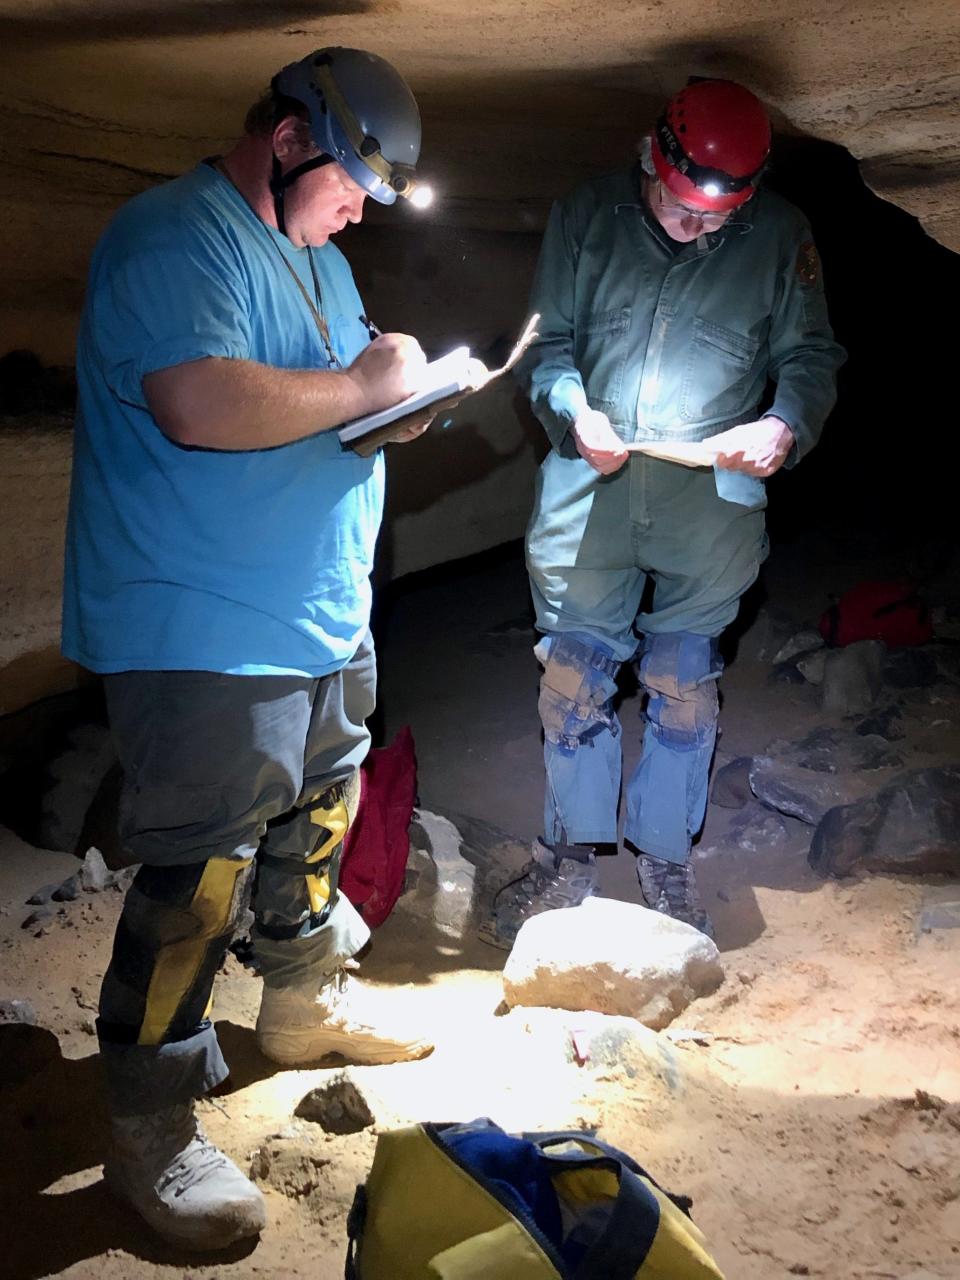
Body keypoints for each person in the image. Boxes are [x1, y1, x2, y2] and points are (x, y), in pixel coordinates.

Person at [62, 46, 438, 1251]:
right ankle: (149, 1129)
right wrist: (358, 385)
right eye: (349, 184)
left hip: (317, 612)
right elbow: (200, 400)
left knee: (319, 812)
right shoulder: (175, 235)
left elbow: (342, 394)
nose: (358, 210)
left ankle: (295, 1008)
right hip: (204, 626)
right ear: (286, 141)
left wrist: (402, 396)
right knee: (197, 877)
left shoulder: (321, 263)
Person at [482, 79, 845, 948]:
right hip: (593, 487)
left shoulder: (783, 236)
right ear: (653, 159)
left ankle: (665, 858)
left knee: (683, 684)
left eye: (717, 220)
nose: (696, 228)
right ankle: (569, 856)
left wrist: (783, 424)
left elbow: (811, 355)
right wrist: (573, 411)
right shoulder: (588, 214)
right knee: (573, 678)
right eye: (684, 211)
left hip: (708, 501)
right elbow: (549, 345)